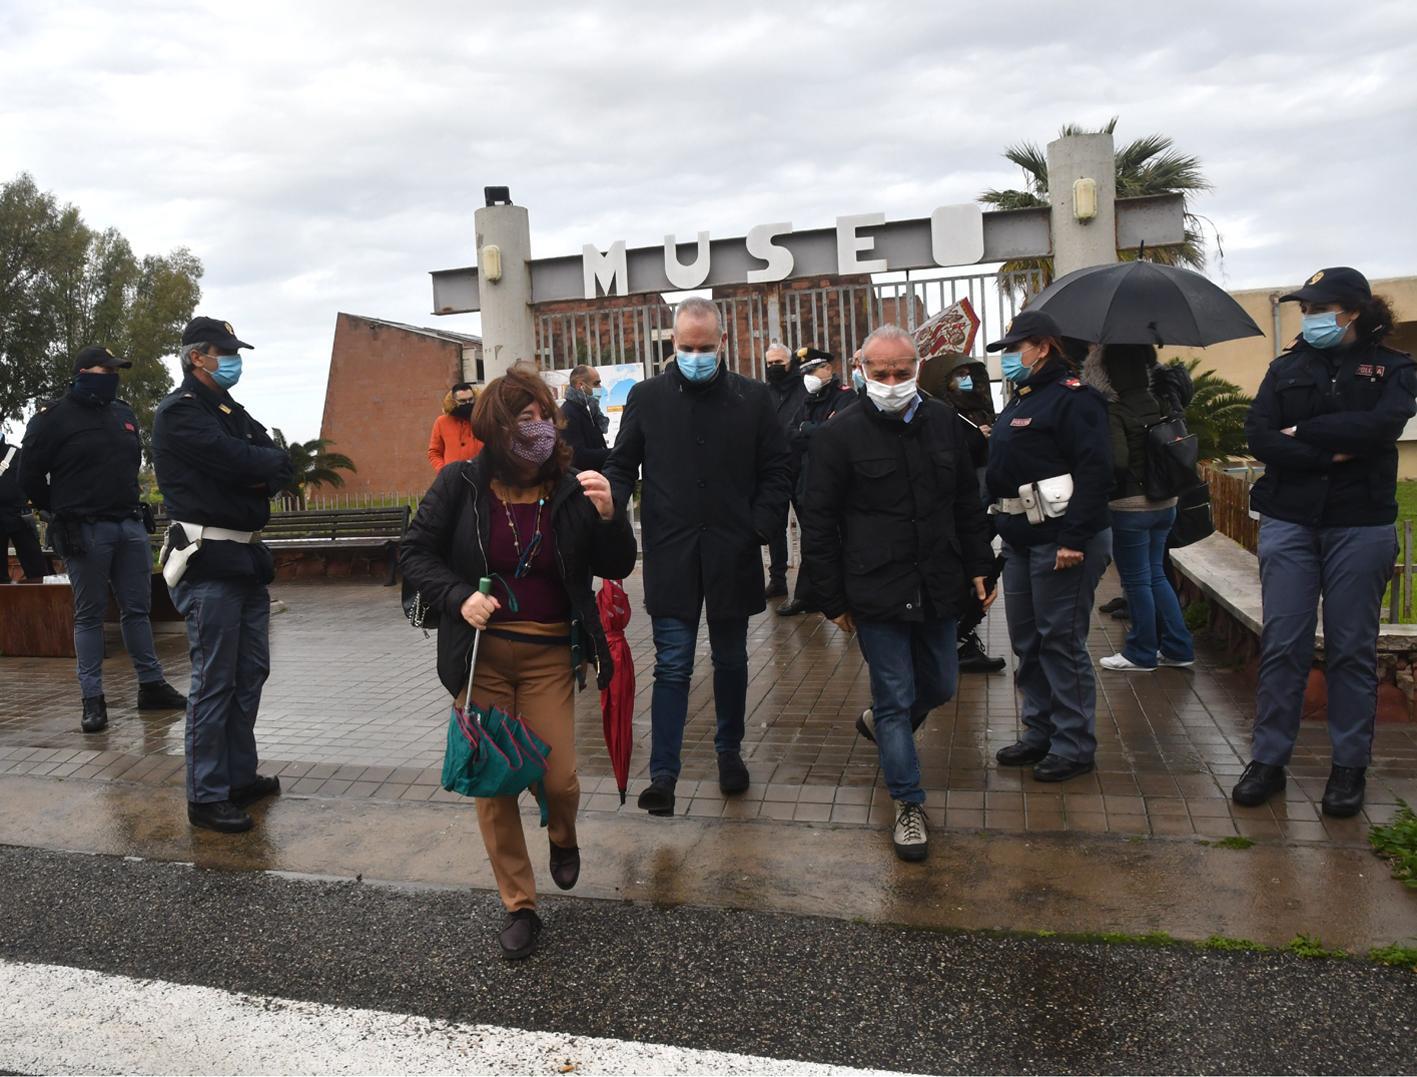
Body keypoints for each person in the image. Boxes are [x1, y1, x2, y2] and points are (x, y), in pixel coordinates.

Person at [399, 371, 636, 960]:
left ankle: (562, 834)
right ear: (492, 432)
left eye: (541, 418)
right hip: (480, 658)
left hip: (550, 653)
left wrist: (611, 516)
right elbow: (414, 552)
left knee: (558, 778)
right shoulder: (460, 485)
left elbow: (619, 564)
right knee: (493, 784)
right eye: (519, 422)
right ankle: (520, 904)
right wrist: (458, 596)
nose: (535, 432)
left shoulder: (573, 486)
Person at [801, 325, 995, 861]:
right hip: (875, 586)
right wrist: (831, 597)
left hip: (937, 582)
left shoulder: (943, 424)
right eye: (880, 372)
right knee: (894, 696)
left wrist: (981, 566)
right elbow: (817, 521)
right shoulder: (838, 436)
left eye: (902, 371)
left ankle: (881, 728)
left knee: (939, 685)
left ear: (917, 367)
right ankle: (908, 804)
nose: (891, 381)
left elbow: (965, 503)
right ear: (861, 368)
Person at [1236, 267, 1415, 818]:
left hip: (1359, 523)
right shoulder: (1285, 367)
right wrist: (1329, 446)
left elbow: (1382, 428)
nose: (1309, 318)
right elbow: (1259, 434)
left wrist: (1305, 432)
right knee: (1284, 643)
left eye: (1318, 309)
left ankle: (1348, 769)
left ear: (1353, 310)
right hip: (1290, 519)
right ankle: (1268, 761)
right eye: (1305, 309)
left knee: (1351, 649)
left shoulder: (1395, 368)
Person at [604, 297, 792, 815]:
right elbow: (623, 464)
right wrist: (611, 502)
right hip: (672, 553)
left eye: (705, 347)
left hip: (733, 553)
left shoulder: (753, 399)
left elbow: (778, 469)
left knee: (732, 660)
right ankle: (663, 774)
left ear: (723, 344)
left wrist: (758, 526)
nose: (695, 355)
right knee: (673, 664)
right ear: (672, 343)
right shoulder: (647, 398)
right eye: (686, 347)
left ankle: (729, 752)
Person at [151, 317, 294, 834]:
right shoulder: (180, 413)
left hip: (246, 560)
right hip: (209, 560)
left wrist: (260, 465)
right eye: (224, 351)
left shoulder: (229, 410)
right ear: (197, 357)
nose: (234, 359)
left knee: (249, 673)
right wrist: (257, 467)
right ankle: (206, 794)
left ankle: (236, 777)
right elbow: (235, 459)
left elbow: (275, 456)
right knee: (214, 682)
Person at [20, 345, 188, 732]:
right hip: (84, 530)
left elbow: (130, 464)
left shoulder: (122, 413)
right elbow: (28, 475)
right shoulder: (53, 418)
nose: (112, 376)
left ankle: (151, 686)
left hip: (128, 525)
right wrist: (57, 510)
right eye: (105, 368)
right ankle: (92, 698)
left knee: (137, 610)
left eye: (116, 370)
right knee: (90, 615)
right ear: (82, 372)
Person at [984, 310, 1113, 783]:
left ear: (1042, 347)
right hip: (1021, 540)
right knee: (1028, 642)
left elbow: (1097, 472)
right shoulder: (1022, 400)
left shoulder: (1074, 400)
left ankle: (1074, 744)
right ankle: (1039, 731)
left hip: (1061, 541)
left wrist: (1075, 538)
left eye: (1016, 349)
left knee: (1061, 642)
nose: (1009, 359)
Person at [1083, 344, 1196, 673]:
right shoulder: (1160, 401)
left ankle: (1141, 652)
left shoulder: (1114, 410)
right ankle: (1178, 646)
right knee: (1157, 575)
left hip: (1131, 506)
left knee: (1136, 581)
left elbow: (1116, 462)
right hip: (1167, 503)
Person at [931, 354, 1007, 674]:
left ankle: (961, 638)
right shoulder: (940, 415)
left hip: (982, 506)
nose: (965, 381)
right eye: (957, 376)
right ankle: (955, 642)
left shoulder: (975, 408)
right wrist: (978, 437)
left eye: (968, 374)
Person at [777, 347, 853, 617]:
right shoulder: (807, 401)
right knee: (815, 540)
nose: (808, 376)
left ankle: (833, 595)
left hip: (839, 482)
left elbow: (837, 433)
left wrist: (808, 430)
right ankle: (808, 596)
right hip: (808, 482)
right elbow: (790, 433)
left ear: (828, 369)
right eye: (804, 372)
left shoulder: (845, 397)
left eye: (813, 370)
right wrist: (814, 430)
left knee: (842, 538)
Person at [763, 340, 806, 598]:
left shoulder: (804, 390)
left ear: (790, 363)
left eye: (779, 362)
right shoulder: (765, 393)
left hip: (802, 466)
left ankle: (811, 584)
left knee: (810, 526)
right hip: (775, 469)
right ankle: (777, 578)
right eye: (769, 363)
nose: (774, 367)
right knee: (774, 528)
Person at [1, 431, 49, 581]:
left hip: (20, 516)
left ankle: (42, 602)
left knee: (37, 569)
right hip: (18, 514)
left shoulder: (17, 454)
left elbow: (33, 480)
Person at [559, 364, 610, 470]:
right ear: (580, 385)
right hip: (583, 481)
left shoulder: (589, 410)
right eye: (596, 384)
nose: (600, 388)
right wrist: (614, 452)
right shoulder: (568, 413)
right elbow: (578, 456)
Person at [428, 382, 484, 471]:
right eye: (462, 401)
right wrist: (444, 472)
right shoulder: (441, 422)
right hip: (453, 478)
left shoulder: (483, 419)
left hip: (482, 475)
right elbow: (434, 452)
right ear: (453, 401)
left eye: (470, 399)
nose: (468, 403)